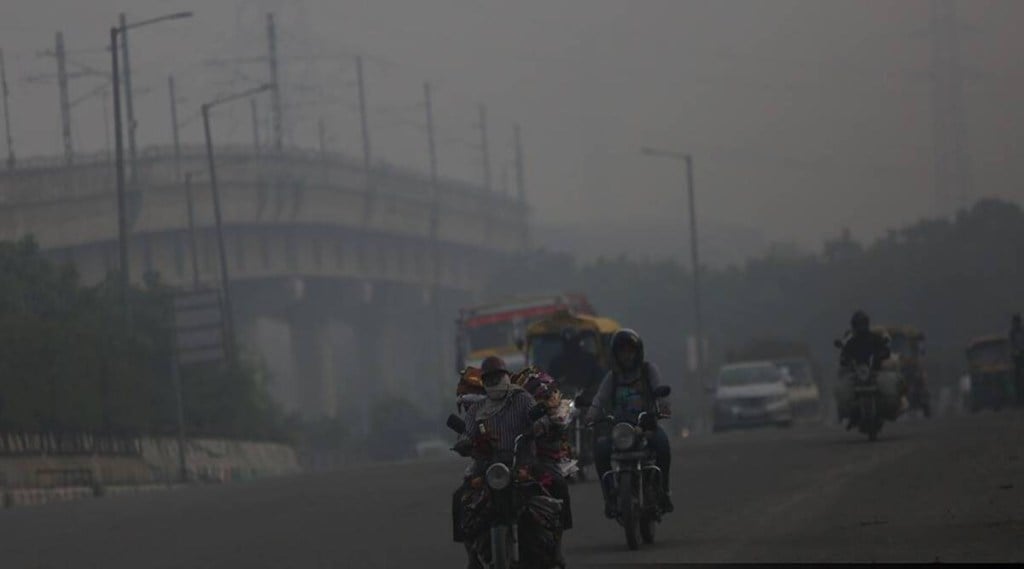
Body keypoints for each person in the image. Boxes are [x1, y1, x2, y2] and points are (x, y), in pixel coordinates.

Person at [452, 356, 564, 569]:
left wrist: (539, 427)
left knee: (557, 484)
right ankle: (472, 557)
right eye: (490, 379)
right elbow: (467, 433)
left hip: (524, 463)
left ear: (506, 376)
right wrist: (464, 444)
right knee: (460, 498)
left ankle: (557, 549)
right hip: (487, 468)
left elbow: (540, 419)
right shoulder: (477, 409)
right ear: (484, 382)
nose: (495, 382)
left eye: (498, 377)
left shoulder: (522, 399)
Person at [585, 328, 673, 517]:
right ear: (615, 354)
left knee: (663, 444)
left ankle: (663, 491)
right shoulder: (612, 377)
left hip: (646, 427)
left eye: (630, 351)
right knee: (600, 449)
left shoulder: (648, 370)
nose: (626, 355)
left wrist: (663, 408)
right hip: (620, 431)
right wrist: (591, 414)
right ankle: (609, 496)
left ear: (637, 352)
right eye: (622, 351)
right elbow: (600, 398)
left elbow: (659, 390)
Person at [548, 328, 605, 401]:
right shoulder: (556, 363)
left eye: (573, 343)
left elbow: (600, 381)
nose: (571, 347)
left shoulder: (589, 361)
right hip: (563, 401)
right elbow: (549, 383)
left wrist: (588, 391)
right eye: (568, 344)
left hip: (586, 402)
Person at [1010, 314, 1024, 404]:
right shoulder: (1012, 333)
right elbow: (1011, 346)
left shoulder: (1022, 332)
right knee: (1017, 379)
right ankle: (1019, 399)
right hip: (1016, 357)